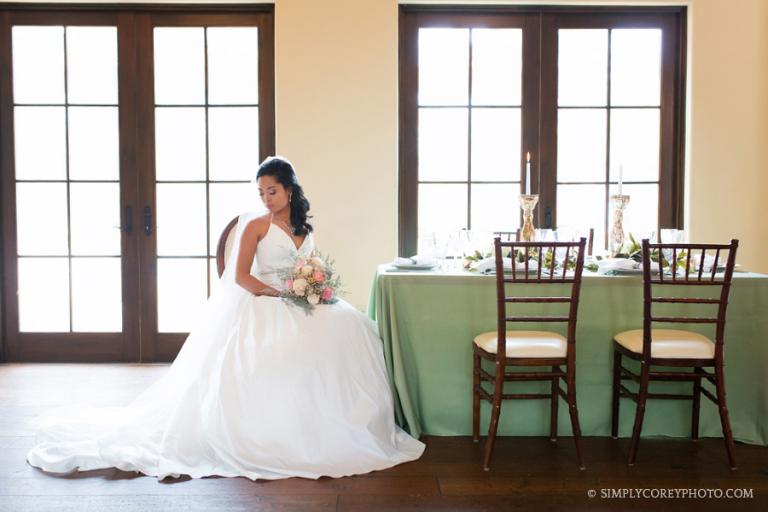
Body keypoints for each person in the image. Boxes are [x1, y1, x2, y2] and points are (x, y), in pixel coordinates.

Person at [25, 156, 425, 480]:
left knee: (352, 326)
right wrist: (280, 293)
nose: (266, 198)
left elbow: (311, 264)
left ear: (290, 190)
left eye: (273, 191)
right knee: (289, 340)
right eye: (261, 191)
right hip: (263, 298)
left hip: (298, 298)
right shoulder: (255, 223)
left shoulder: (304, 225)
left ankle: (345, 426)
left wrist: (315, 287)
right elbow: (240, 277)